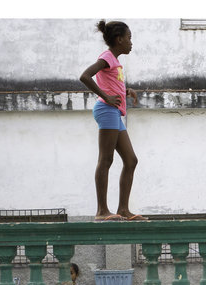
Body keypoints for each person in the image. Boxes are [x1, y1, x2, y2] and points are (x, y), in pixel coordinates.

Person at [80, 21, 145, 222]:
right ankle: (101, 211)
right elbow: (85, 76)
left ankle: (123, 209)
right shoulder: (107, 57)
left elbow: (110, 83)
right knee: (106, 159)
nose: (131, 42)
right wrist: (106, 97)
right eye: (129, 37)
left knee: (131, 160)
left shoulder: (114, 61)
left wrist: (125, 91)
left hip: (114, 112)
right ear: (119, 39)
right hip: (107, 110)